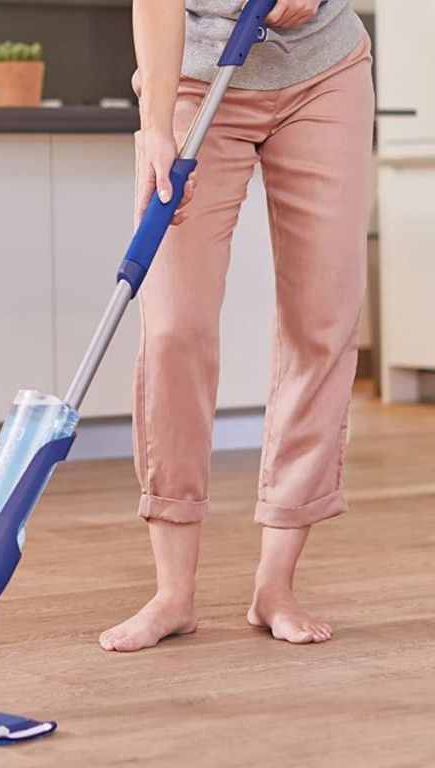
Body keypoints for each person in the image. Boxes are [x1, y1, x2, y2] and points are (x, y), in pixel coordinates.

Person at [99, 0, 372, 651]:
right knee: (173, 326)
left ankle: (276, 584)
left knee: (321, 320)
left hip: (323, 72)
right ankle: (173, 593)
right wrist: (156, 127)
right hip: (195, 75)